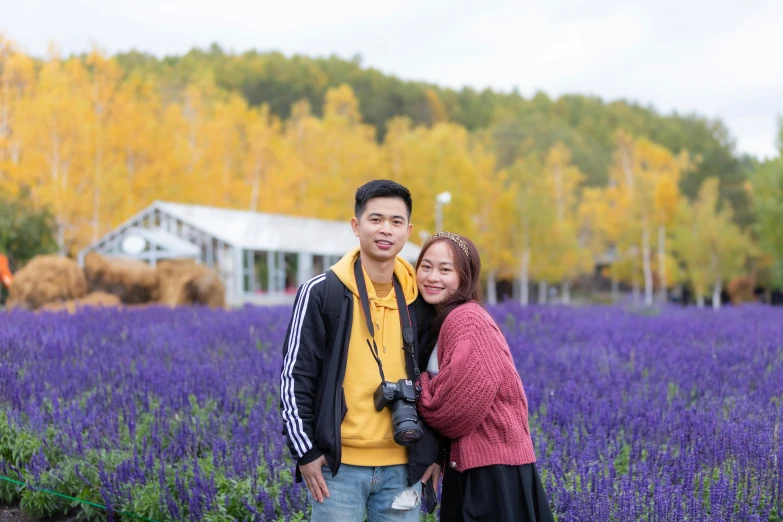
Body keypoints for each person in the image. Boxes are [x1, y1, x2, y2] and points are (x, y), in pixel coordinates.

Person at [279, 180, 443, 522]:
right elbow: (296, 376)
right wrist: (305, 452)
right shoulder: (323, 293)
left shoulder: (421, 300)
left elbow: (440, 384)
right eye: (376, 219)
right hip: (337, 469)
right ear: (356, 226)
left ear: (408, 230)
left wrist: (435, 454)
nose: (386, 230)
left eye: (397, 222)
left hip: (404, 467)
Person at [415, 232, 555, 522]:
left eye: (445, 269)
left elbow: (456, 411)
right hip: (475, 463)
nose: (432, 277)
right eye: (425, 266)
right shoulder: (444, 319)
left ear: (465, 277)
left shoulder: (468, 320)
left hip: (492, 470)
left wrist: (417, 387)